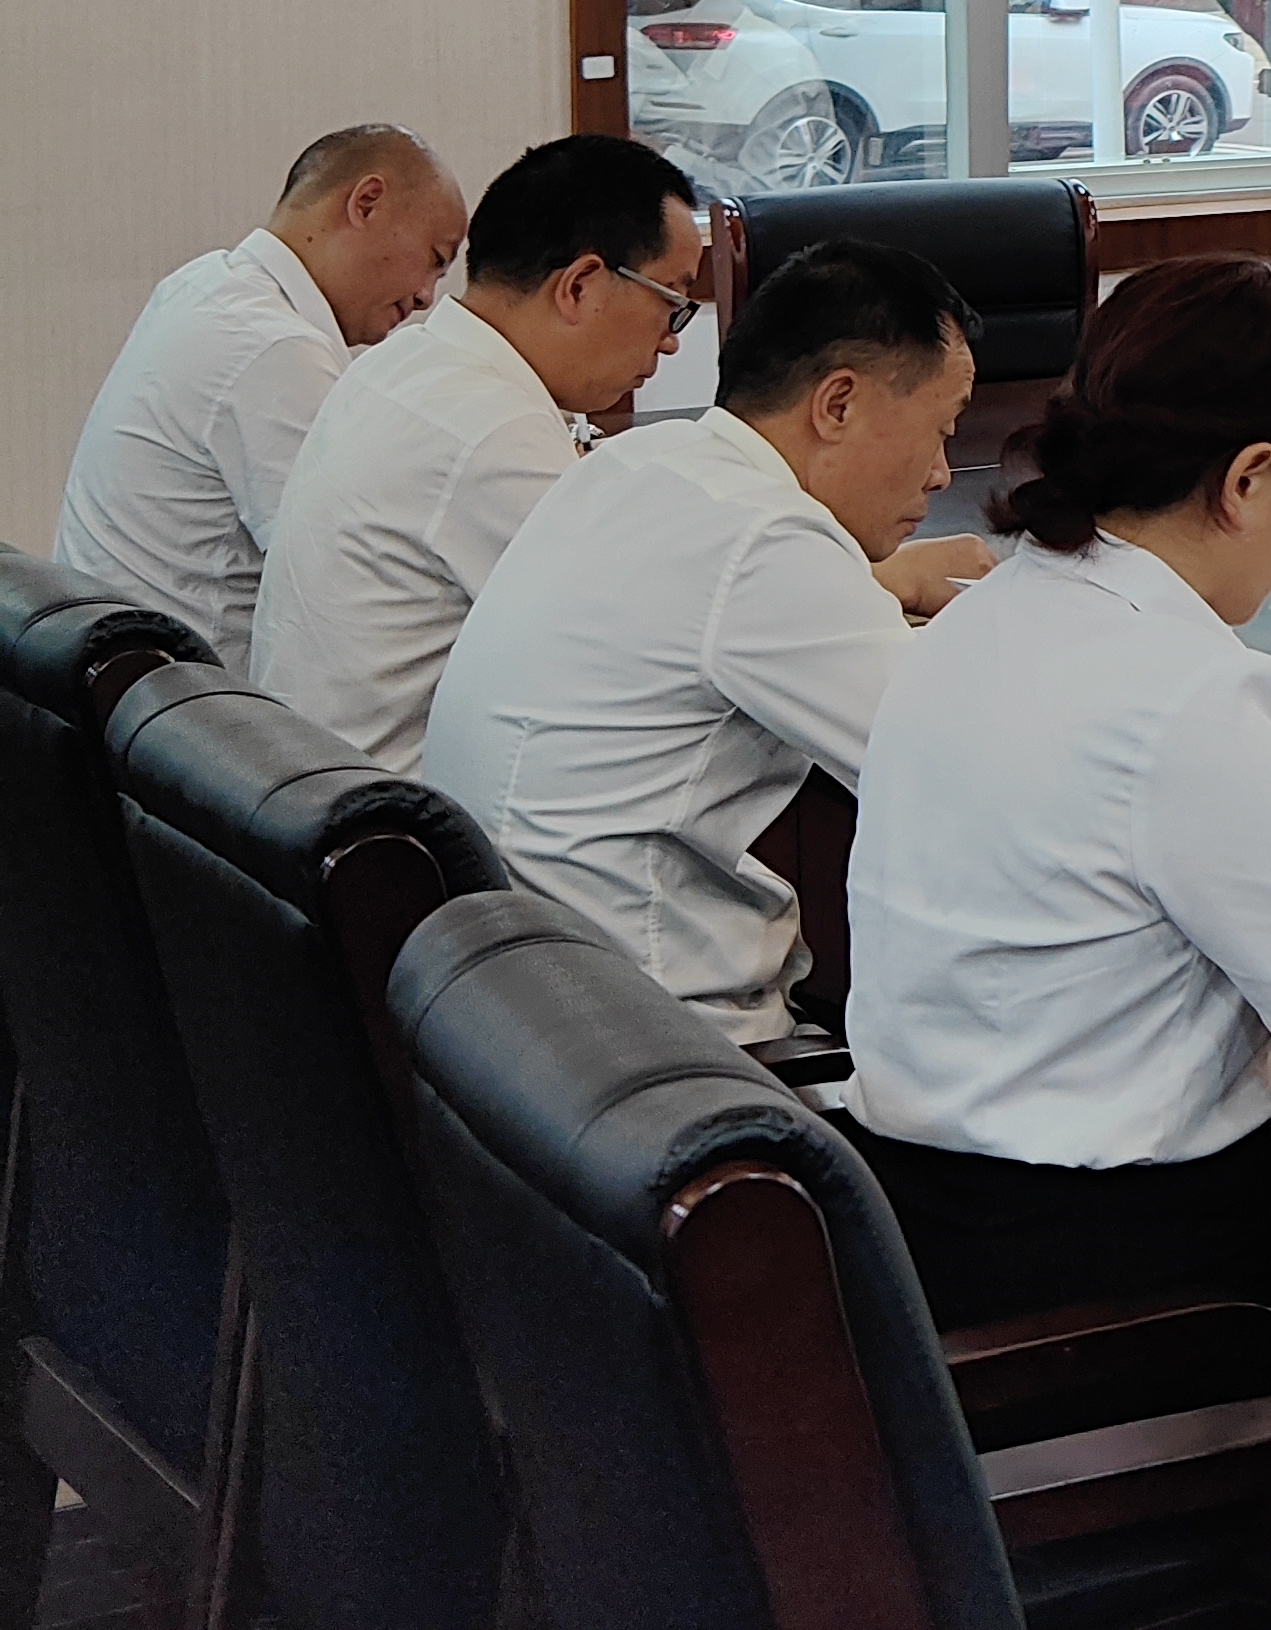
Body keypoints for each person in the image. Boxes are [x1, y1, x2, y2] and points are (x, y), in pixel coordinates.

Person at [842, 254, 1271, 1332]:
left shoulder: (996, 610)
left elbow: (1170, 839)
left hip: (923, 1205)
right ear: (1248, 479)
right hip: (1106, 1255)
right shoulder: (1185, 693)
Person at [422, 239, 998, 1046]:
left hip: (522, 1013)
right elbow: (980, 772)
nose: (940, 473)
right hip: (666, 1044)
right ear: (837, 404)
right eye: (940, 430)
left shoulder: (643, 461)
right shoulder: (765, 539)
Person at [251, 135, 707, 769]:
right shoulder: (492, 429)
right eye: (673, 304)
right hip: (399, 811)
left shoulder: (411, 361)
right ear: (580, 286)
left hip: (306, 780)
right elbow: (655, 646)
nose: (672, 341)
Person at [56, 124, 469, 658]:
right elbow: (356, 585)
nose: (427, 297)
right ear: (366, 203)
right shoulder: (276, 348)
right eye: (436, 259)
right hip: (184, 693)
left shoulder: (203, 283)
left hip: (107, 670)